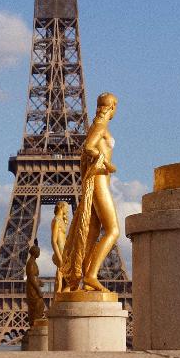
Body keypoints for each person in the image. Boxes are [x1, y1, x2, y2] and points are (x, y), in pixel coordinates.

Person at [60, 93, 120, 292]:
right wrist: (107, 163)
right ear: (111, 107)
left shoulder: (100, 126)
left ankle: (82, 275)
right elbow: (88, 147)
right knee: (113, 230)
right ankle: (91, 275)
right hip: (99, 181)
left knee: (91, 232)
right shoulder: (100, 126)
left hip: (98, 181)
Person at [51, 201, 69, 294]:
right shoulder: (56, 220)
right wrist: (58, 256)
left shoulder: (61, 220)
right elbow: (53, 241)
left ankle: (63, 291)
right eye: (66, 207)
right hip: (60, 251)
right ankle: (60, 290)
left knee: (68, 276)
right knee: (62, 272)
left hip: (65, 251)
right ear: (61, 207)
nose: (68, 210)